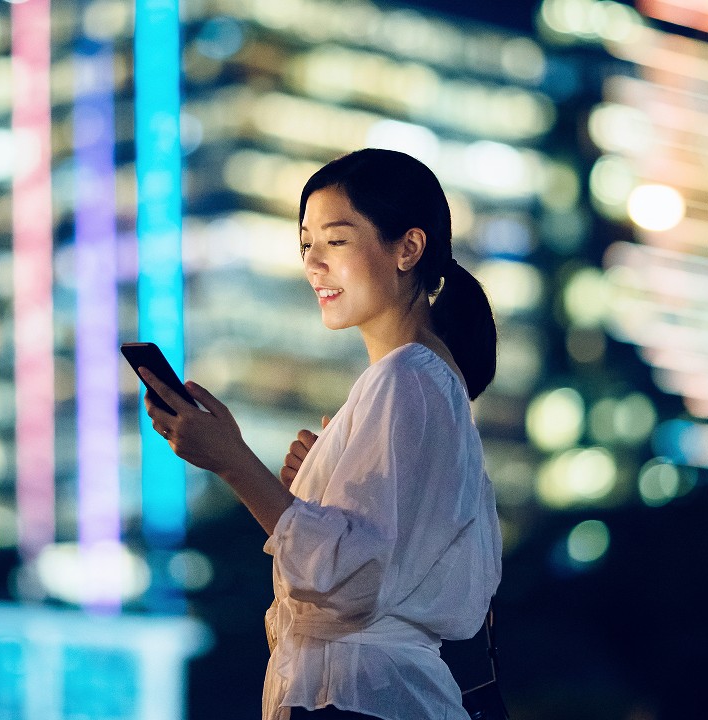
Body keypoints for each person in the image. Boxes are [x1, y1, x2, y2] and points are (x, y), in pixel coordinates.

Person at [138, 148, 503, 720]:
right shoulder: (413, 382)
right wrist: (311, 490)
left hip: (360, 700)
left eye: (335, 240)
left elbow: (353, 581)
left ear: (408, 248)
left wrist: (233, 461)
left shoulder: (408, 377)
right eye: (306, 244)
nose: (313, 264)